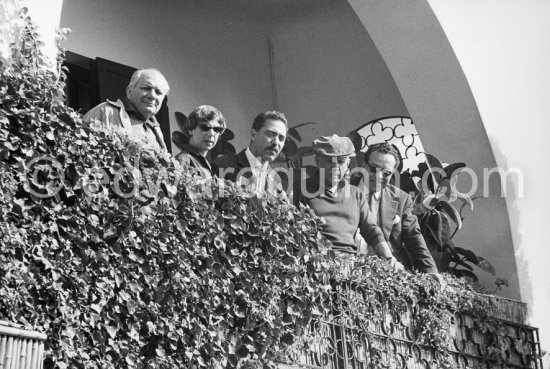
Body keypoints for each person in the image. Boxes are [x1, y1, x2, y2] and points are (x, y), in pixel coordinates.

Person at [295, 134, 403, 270]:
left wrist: (389, 258)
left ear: (348, 164)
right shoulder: (300, 189)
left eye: (341, 162)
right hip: (314, 263)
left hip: (350, 264)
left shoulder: (355, 193)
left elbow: (371, 230)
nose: (335, 167)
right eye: (329, 161)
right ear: (318, 161)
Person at [350, 142, 439, 274]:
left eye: (386, 173)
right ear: (363, 166)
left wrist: (431, 272)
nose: (378, 176)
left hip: (389, 273)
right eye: (373, 169)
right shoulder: (344, 192)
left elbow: (414, 238)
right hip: (349, 267)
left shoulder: (402, 199)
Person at [84, 68, 169, 151]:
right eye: (146, 88)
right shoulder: (105, 111)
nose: (152, 96)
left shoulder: (156, 129)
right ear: (129, 91)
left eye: (158, 92)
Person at [216, 111, 287, 197]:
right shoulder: (223, 165)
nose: (276, 142)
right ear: (253, 134)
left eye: (281, 138)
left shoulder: (276, 179)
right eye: (270, 134)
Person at [175, 105, 226, 178]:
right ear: (190, 129)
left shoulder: (203, 162)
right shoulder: (184, 160)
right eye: (205, 128)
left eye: (216, 129)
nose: (211, 134)